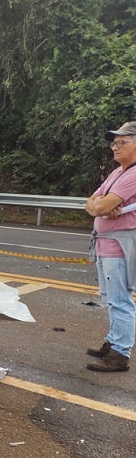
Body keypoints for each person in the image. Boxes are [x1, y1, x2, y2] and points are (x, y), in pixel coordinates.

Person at [83, 121, 136, 372]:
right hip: (106, 244)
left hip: (119, 246)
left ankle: (120, 354)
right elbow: (91, 202)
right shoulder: (118, 172)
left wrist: (101, 206)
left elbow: (99, 206)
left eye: (122, 142)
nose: (115, 147)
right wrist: (99, 205)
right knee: (110, 299)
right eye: (114, 143)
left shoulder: (135, 173)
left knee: (120, 300)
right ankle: (114, 342)